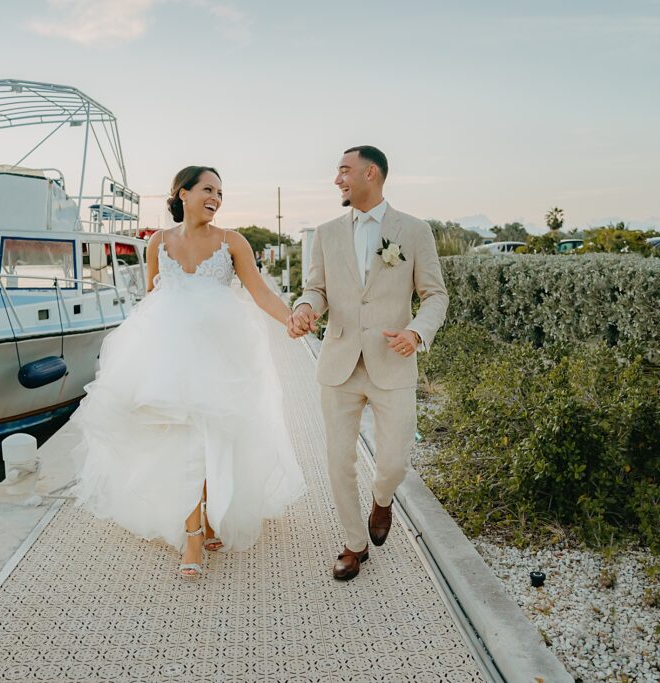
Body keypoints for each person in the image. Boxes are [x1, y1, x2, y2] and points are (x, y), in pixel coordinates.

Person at [71, 166, 305, 578]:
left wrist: (291, 320)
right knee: (184, 440)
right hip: (168, 357)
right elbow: (150, 298)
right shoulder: (158, 243)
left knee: (213, 437)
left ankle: (211, 517)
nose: (216, 197)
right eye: (207, 189)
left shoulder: (233, 243)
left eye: (220, 191)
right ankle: (193, 532)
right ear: (182, 193)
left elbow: (261, 292)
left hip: (221, 354)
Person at [288, 146, 448, 581]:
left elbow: (435, 295)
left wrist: (416, 333)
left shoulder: (413, 231)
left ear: (370, 174)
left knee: (394, 462)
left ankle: (382, 498)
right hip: (338, 362)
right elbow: (315, 288)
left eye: (344, 170)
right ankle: (354, 543)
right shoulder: (325, 232)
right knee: (339, 461)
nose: (337, 179)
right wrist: (305, 309)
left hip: (392, 363)